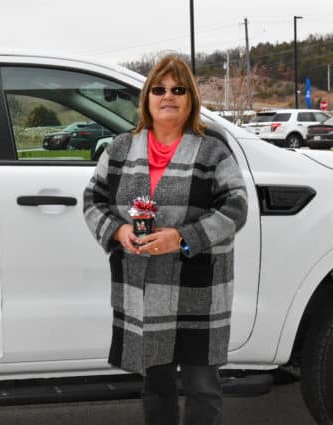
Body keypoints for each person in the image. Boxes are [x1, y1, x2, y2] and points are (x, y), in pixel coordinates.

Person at [82, 55, 248, 425]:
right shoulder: (121, 149)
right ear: (147, 98)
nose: (168, 96)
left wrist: (183, 238)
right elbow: (92, 199)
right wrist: (118, 231)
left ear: (190, 98)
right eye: (159, 89)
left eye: (178, 89)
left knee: (203, 386)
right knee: (156, 387)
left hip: (197, 285)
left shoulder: (212, 149)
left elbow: (236, 208)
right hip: (142, 286)